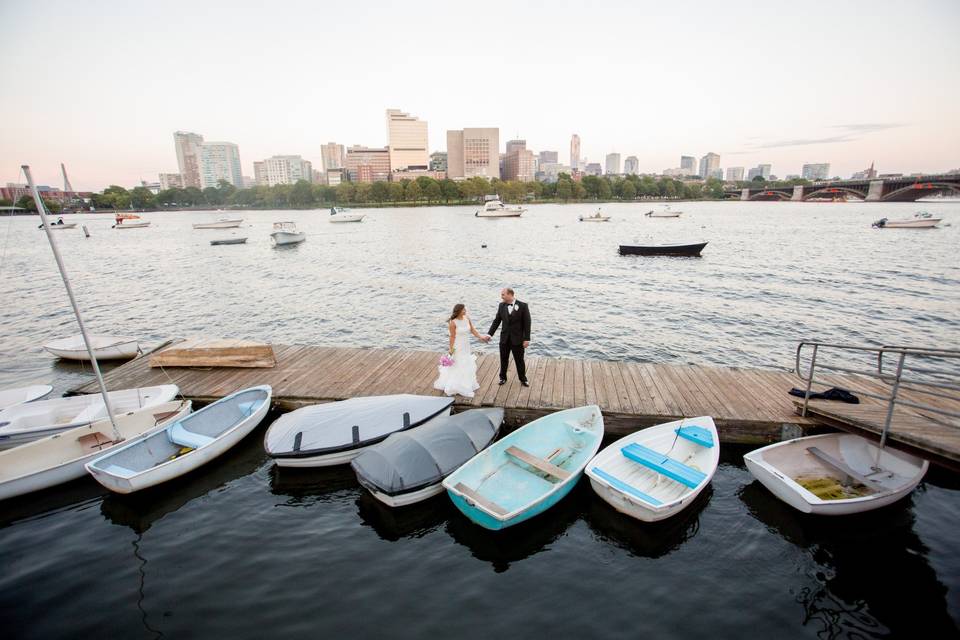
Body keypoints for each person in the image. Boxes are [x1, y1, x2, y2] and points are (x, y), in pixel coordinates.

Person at [481, 288, 531, 387]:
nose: (501, 296)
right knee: (503, 359)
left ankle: (523, 379)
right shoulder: (501, 305)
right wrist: (489, 334)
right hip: (504, 338)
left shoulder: (523, 306)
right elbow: (497, 321)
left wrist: (526, 339)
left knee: (519, 360)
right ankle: (502, 378)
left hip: (517, 339)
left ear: (510, 294)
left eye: (503, 294)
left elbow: (527, 323)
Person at [433, 303, 483, 398]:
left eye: (465, 309)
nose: (465, 311)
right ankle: (456, 385)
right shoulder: (453, 322)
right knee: (458, 363)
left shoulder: (467, 318)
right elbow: (452, 337)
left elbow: (472, 330)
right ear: (459, 311)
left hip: (466, 345)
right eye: (463, 310)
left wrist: (481, 337)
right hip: (458, 345)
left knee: (466, 363)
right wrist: (451, 349)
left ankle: (466, 383)